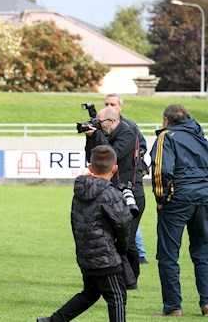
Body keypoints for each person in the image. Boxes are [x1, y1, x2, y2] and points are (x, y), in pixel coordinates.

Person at [37, 145, 131, 322]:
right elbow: (123, 224)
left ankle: (53, 320)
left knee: (90, 293)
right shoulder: (111, 193)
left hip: (86, 253)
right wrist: (122, 248)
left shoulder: (80, 189)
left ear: (90, 167)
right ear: (115, 168)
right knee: (117, 297)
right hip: (106, 256)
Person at [150, 104, 208, 317]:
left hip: (178, 200)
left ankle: (173, 306)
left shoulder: (167, 137)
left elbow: (161, 170)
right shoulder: (200, 137)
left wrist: (161, 198)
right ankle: (207, 302)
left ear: (166, 120)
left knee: (168, 254)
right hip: (204, 198)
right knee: (203, 252)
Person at [84, 106, 141, 289]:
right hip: (110, 192)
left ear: (113, 121)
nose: (99, 127)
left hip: (130, 192)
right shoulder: (105, 132)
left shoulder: (128, 133)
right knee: (110, 239)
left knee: (128, 240)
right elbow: (92, 158)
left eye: (101, 123)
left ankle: (132, 279)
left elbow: (111, 156)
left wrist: (97, 135)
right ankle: (117, 279)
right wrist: (90, 139)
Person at [103, 94, 147, 284]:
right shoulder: (104, 128)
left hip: (130, 184)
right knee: (117, 237)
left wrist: (133, 164)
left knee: (128, 237)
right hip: (112, 188)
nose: (109, 106)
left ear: (120, 107)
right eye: (106, 104)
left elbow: (140, 148)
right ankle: (120, 276)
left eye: (112, 104)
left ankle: (131, 276)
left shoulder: (130, 128)